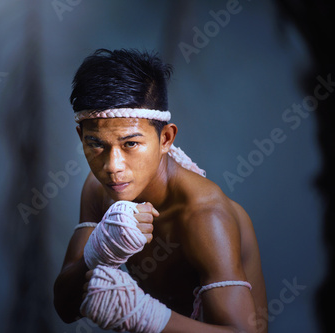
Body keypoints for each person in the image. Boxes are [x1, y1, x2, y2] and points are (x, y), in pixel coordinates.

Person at [53, 48, 268, 333]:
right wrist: (97, 252)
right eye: (96, 144)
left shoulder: (204, 216)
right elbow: (65, 309)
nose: (112, 166)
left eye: (130, 144)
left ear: (165, 138)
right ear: (81, 137)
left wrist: (141, 314)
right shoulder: (98, 190)